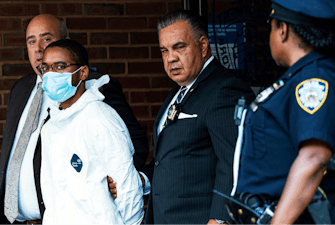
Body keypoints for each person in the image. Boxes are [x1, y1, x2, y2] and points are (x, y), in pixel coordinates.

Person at [0, 14, 149, 225]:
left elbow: (129, 142)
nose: (38, 49)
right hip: (19, 220)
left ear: (65, 40)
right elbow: (11, 155)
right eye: (31, 41)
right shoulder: (21, 89)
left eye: (46, 39)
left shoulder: (97, 93)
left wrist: (119, 180)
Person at [143, 10, 255, 225]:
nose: (171, 58)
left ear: (203, 46)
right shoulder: (178, 91)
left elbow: (235, 160)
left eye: (179, 47)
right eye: (164, 50)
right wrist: (143, 180)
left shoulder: (224, 88)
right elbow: (168, 158)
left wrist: (220, 219)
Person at [230, 0, 335, 224]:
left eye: (271, 26)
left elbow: (314, 158)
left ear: (283, 30)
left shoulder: (313, 79)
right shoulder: (296, 78)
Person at [39, 39, 144, 225]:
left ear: (83, 73)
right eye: (46, 68)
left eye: (60, 66)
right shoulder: (49, 128)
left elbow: (127, 188)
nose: (51, 74)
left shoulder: (99, 117)